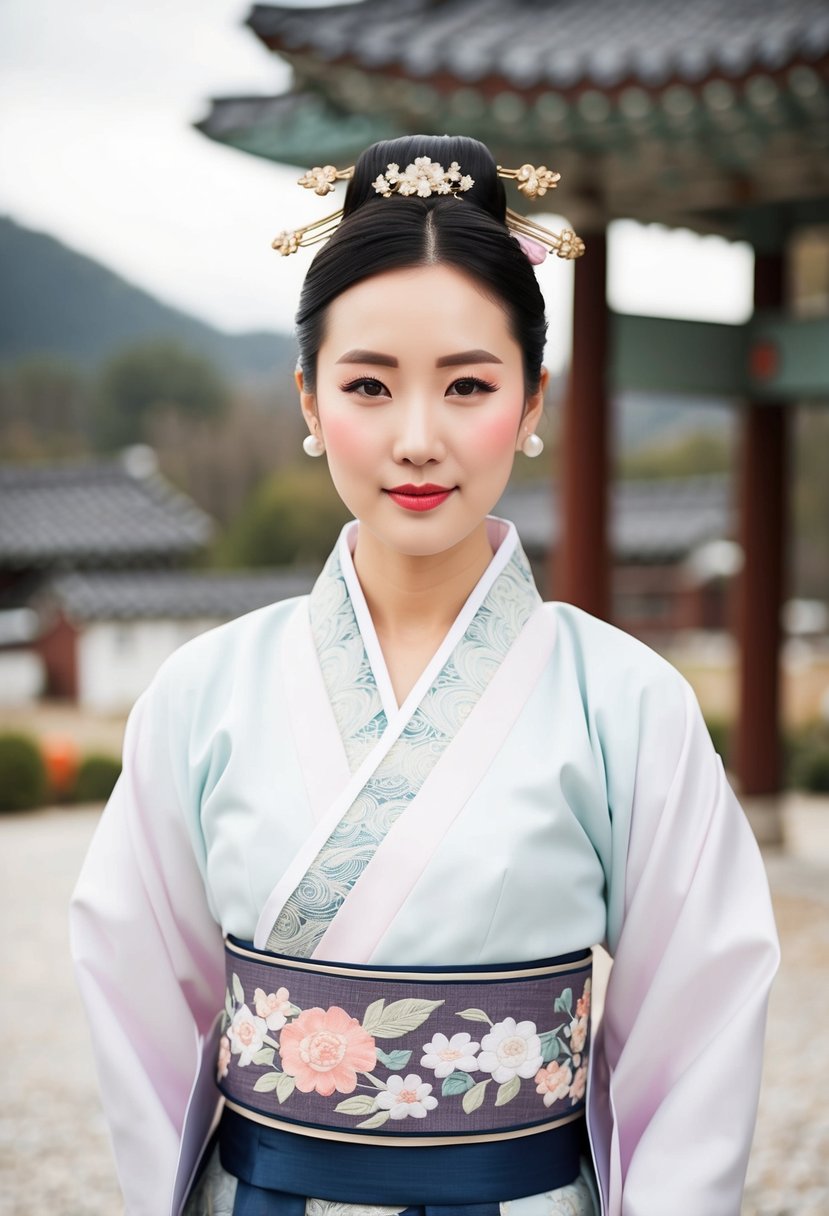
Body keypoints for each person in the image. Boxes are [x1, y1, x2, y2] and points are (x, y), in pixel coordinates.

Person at [69, 134, 779, 1216]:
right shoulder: (202, 693)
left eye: (466, 384)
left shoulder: (626, 702)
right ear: (308, 400)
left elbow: (699, 1019)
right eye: (367, 383)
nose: (416, 438)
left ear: (532, 402)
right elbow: (138, 1003)